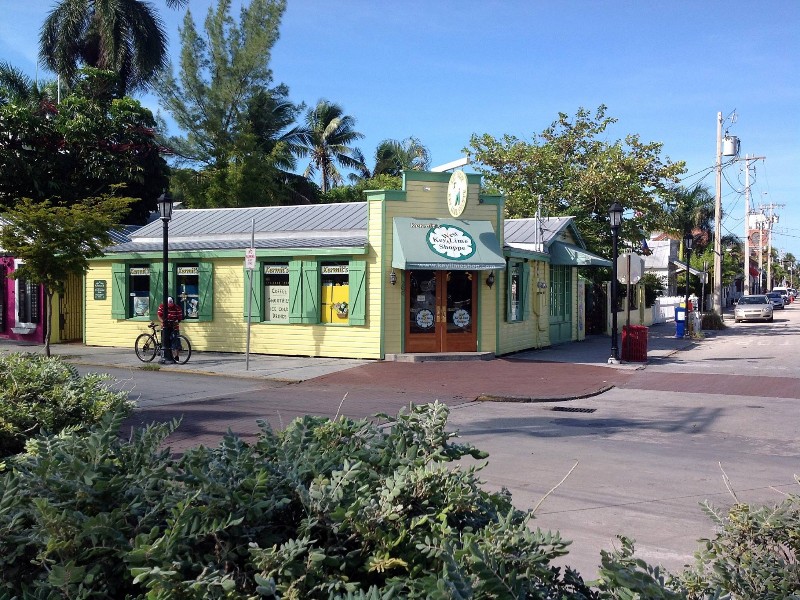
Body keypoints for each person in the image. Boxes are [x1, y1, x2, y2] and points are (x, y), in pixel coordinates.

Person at [157, 296, 184, 362]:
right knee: (165, 341)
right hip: (165, 326)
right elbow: (159, 315)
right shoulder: (162, 306)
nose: (170, 306)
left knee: (176, 341)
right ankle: (165, 354)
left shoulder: (177, 308)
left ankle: (176, 356)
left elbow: (180, 317)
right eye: (168, 305)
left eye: (171, 305)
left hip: (174, 326)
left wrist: (176, 321)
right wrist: (163, 321)